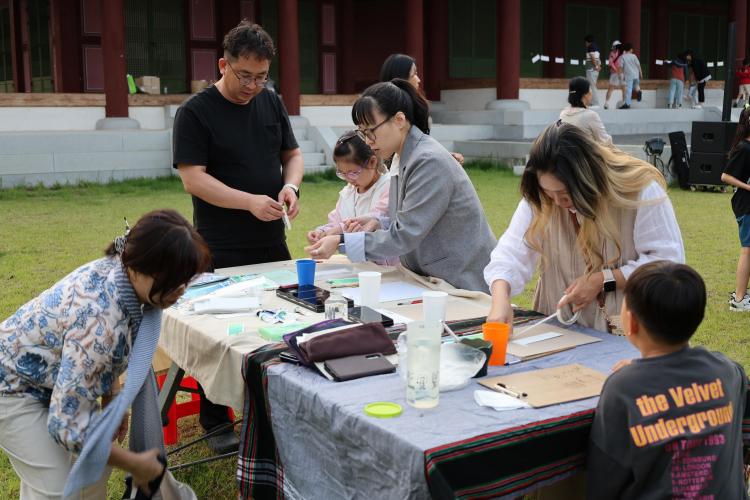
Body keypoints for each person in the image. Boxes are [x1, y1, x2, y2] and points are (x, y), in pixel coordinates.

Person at [0, 209, 211, 499]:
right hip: (10, 389)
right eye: (173, 280)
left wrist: (113, 399)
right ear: (140, 267)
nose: (181, 290)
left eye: (186, 280)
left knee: (93, 468)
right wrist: (135, 464)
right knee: (55, 486)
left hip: (51, 381)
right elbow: (68, 427)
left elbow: (105, 355)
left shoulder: (121, 270)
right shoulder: (101, 321)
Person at [172, 21, 303, 453]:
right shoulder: (195, 112)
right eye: (244, 75)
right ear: (223, 65)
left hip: (271, 236)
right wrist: (248, 202)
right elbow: (193, 179)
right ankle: (215, 420)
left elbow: (292, 154)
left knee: (281, 319)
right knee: (221, 332)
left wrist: (291, 186)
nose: (252, 86)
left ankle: (274, 405)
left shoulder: (270, 101)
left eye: (261, 77)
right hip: (220, 241)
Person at [484, 122, 685, 332]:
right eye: (549, 193)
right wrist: (500, 300)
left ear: (586, 179)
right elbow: (510, 254)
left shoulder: (640, 191)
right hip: (559, 326)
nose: (557, 202)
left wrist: (603, 280)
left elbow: (667, 263)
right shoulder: (540, 199)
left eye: (564, 193)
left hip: (627, 326)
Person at [304, 79, 496, 292]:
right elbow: (411, 219)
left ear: (399, 120)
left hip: (461, 282)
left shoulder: (427, 161)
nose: (367, 141)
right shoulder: (403, 157)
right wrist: (378, 221)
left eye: (370, 131)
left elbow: (404, 235)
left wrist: (342, 241)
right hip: (433, 279)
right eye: (362, 133)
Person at [587, 261, 749, 499]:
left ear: (631, 322)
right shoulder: (727, 372)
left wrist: (639, 373)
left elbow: (605, 477)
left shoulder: (622, 388)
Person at [306, 130, 397, 266]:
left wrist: (338, 232)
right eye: (342, 173)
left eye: (353, 172)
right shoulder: (348, 193)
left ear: (372, 162)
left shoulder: (389, 187)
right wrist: (322, 232)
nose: (349, 179)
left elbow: (377, 219)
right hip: (361, 267)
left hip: (388, 268)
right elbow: (336, 221)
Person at [379, 53, 465, 166]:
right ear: (401, 78)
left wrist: (443, 156)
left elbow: (418, 148)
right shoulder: (379, 113)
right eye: (414, 74)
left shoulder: (417, 109)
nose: (418, 80)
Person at [720, 106, 750, 312]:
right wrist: (748, 187)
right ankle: (739, 300)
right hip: (746, 206)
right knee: (747, 250)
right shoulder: (743, 148)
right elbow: (725, 176)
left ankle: (742, 295)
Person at [559, 76, 612, 145]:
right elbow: (605, 141)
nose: (591, 92)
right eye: (590, 89)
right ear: (585, 95)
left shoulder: (563, 114)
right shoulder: (590, 116)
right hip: (585, 152)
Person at [618, 43, 642, 110]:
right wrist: (641, 73)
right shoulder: (634, 56)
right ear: (631, 49)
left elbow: (621, 67)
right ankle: (639, 91)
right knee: (636, 85)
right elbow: (638, 65)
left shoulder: (623, 57)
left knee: (629, 89)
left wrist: (620, 75)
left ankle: (627, 104)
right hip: (636, 75)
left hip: (629, 76)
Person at [604, 41, 624, 110]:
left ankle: (606, 103)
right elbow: (611, 63)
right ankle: (624, 103)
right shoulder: (621, 53)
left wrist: (616, 70)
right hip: (619, 72)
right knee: (623, 88)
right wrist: (617, 70)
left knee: (612, 88)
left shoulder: (613, 53)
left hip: (616, 72)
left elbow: (610, 63)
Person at [584, 34, 602, 108]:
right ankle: (592, 103)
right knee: (591, 86)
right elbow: (598, 59)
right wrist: (599, 66)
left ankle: (595, 103)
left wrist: (596, 66)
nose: (585, 44)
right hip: (595, 70)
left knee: (592, 86)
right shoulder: (596, 47)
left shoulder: (590, 47)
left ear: (587, 41)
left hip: (591, 69)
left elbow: (592, 57)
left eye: (585, 42)